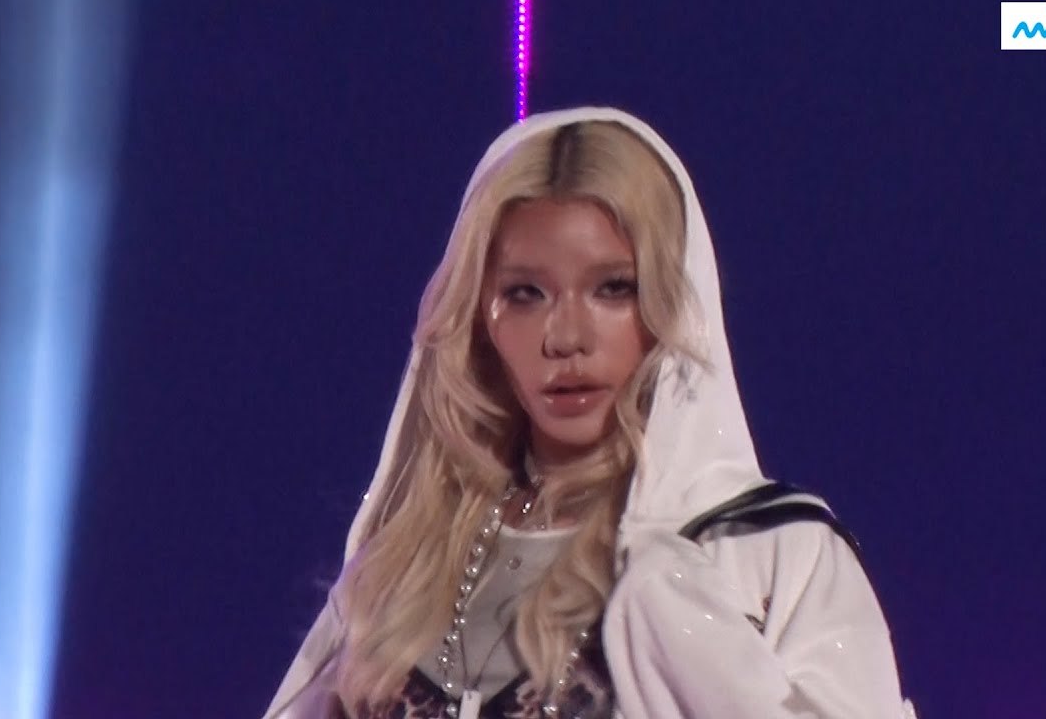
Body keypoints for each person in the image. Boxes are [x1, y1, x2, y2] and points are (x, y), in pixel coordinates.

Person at [263, 106, 915, 719]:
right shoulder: (409, 559)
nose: (566, 337)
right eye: (526, 292)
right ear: (479, 315)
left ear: (674, 301)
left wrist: (692, 639)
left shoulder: (767, 552)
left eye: (613, 288)